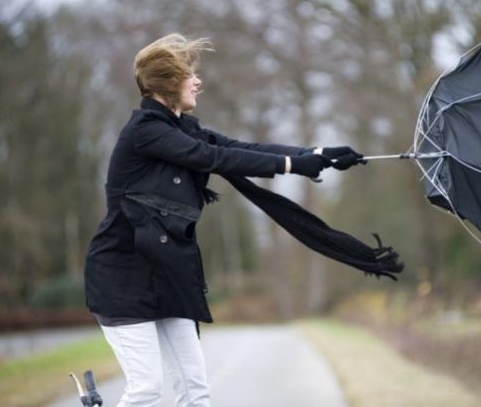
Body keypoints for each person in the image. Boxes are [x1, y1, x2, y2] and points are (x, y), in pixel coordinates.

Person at [83, 33, 364, 407]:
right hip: (123, 278)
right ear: (167, 83)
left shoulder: (183, 127)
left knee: (195, 390)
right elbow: (212, 158)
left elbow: (238, 149)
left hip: (168, 275)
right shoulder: (146, 132)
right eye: (189, 75)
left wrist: (317, 153)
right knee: (147, 390)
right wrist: (293, 164)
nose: (197, 81)